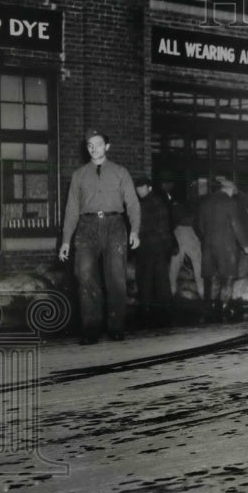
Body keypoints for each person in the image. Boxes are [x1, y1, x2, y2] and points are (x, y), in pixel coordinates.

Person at [58, 129, 140, 345]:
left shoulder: (121, 172)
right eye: (90, 145)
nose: (94, 148)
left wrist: (135, 230)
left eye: (98, 144)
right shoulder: (79, 175)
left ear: (107, 146)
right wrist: (66, 240)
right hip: (87, 226)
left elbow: (132, 203)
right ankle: (91, 328)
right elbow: (71, 209)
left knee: (116, 278)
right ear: (87, 149)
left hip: (115, 225)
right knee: (85, 276)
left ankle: (115, 327)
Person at [195, 177, 248, 323]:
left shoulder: (205, 202)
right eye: (233, 191)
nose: (234, 194)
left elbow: (199, 226)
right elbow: (236, 225)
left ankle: (211, 308)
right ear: (229, 189)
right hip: (227, 247)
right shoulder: (229, 202)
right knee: (228, 278)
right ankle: (225, 307)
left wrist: (206, 239)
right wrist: (244, 245)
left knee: (212, 277)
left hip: (208, 246)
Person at [133, 176, 175, 325]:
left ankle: (146, 308)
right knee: (160, 277)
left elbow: (162, 226)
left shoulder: (146, 204)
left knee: (146, 277)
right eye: (137, 189)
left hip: (149, 246)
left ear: (149, 188)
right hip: (156, 246)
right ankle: (166, 308)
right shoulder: (156, 202)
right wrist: (168, 244)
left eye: (141, 188)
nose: (139, 191)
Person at [168, 181, 204, 299]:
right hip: (189, 232)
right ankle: (201, 291)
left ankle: (171, 291)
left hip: (177, 232)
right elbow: (197, 222)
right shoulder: (194, 204)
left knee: (175, 264)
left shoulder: (174, 205)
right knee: (198, 263)